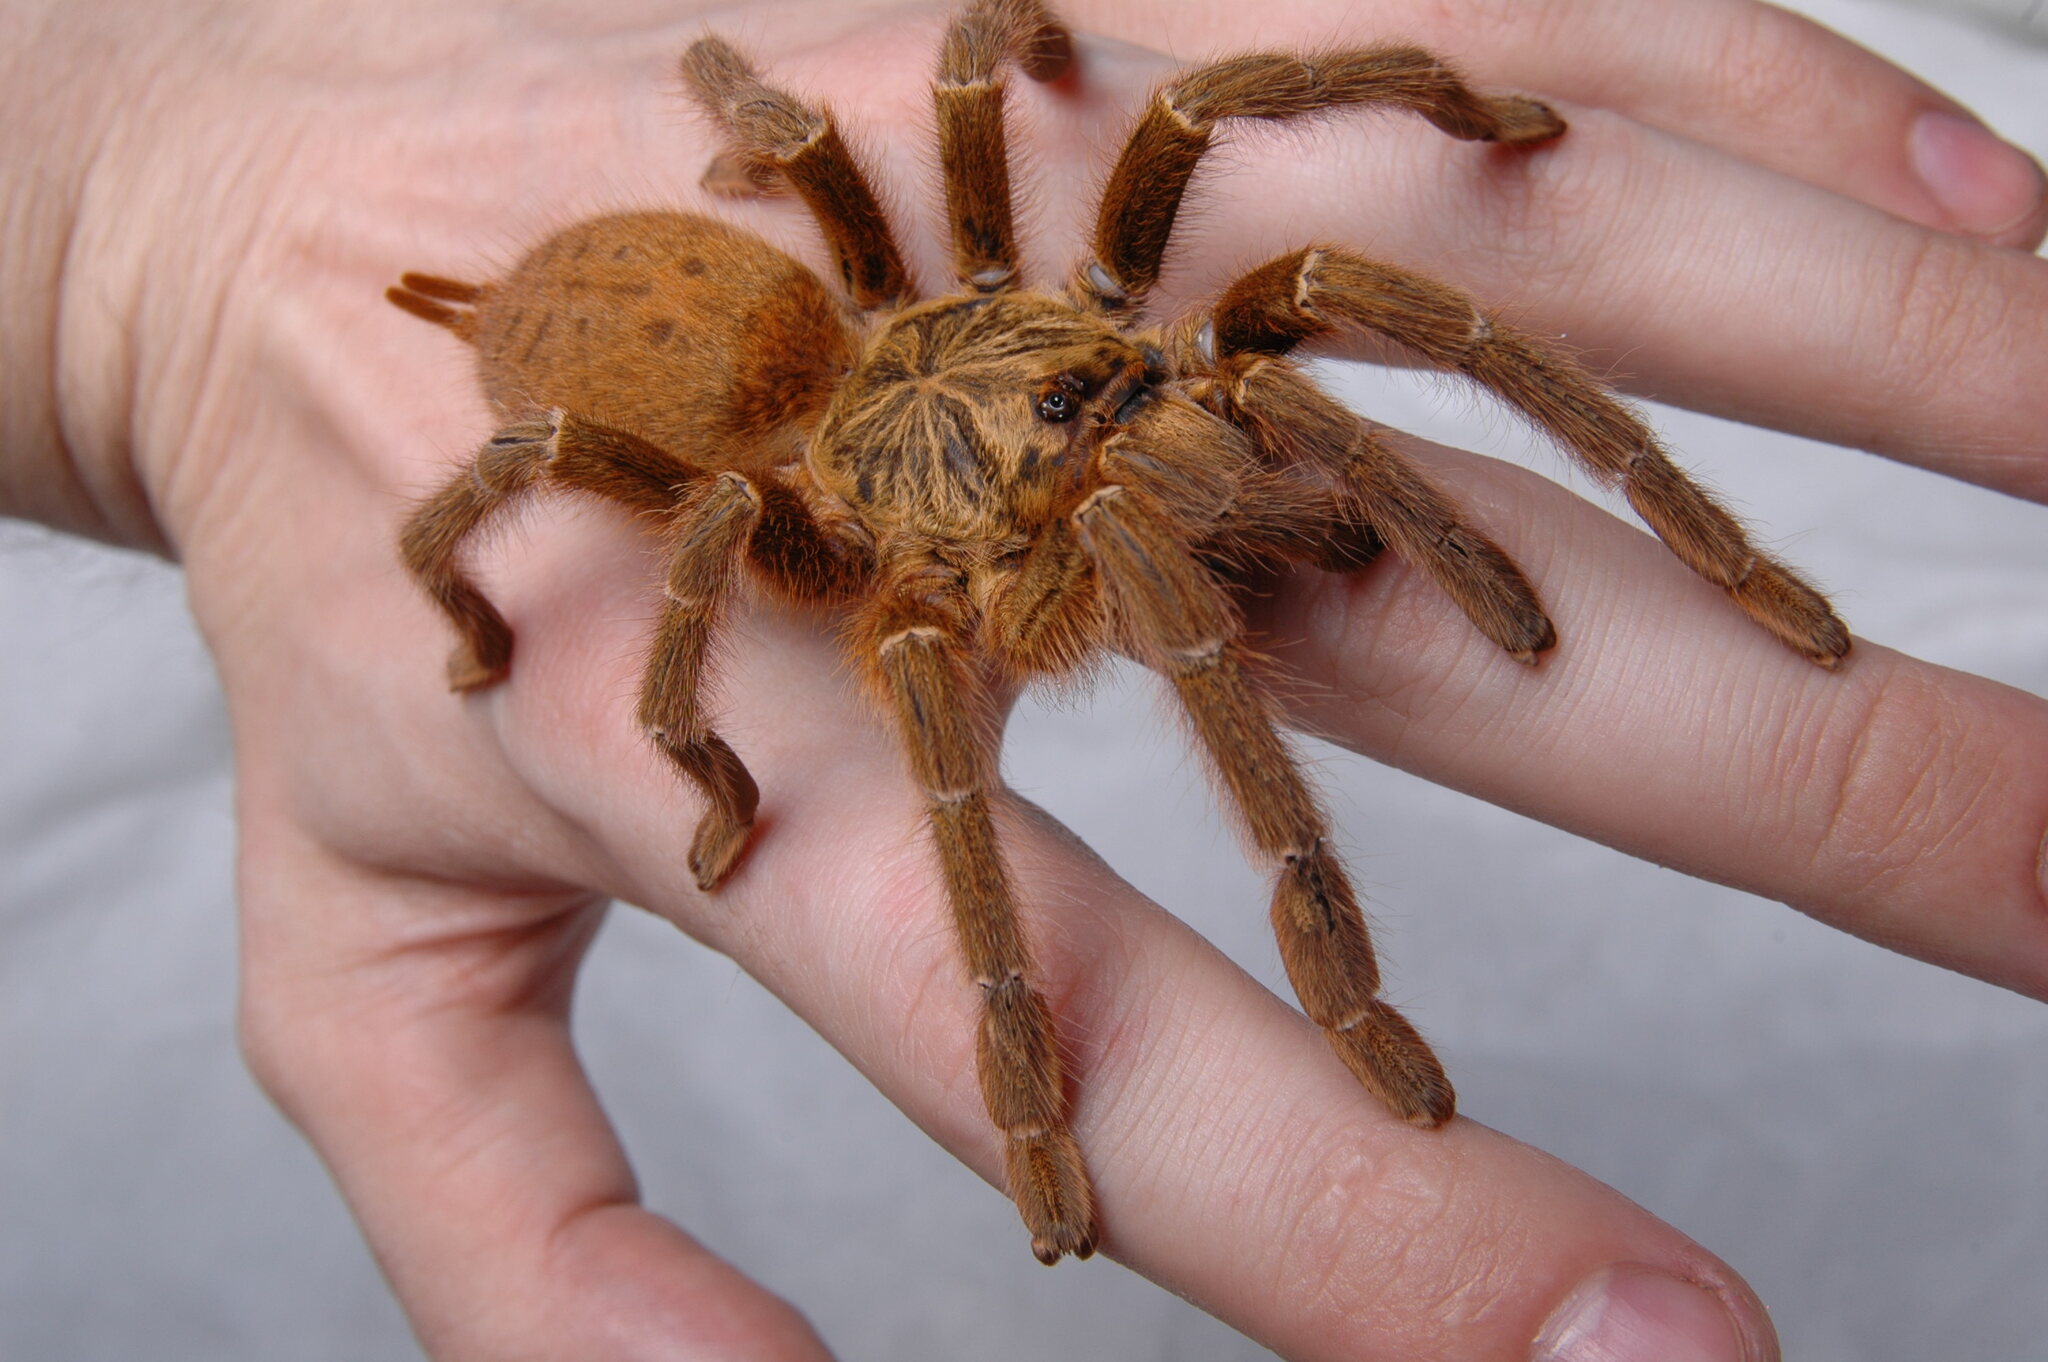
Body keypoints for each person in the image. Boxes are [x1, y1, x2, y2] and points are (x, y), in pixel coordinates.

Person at [2, 0, 2044, 1358]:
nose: (1172, 421)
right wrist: (680, 738)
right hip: (844, 464)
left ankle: (1719, 550)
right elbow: (658, 548)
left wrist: (1427, 122)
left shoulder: (1110, 322)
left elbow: (998, 50)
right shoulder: (839, 560)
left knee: (1250, 190)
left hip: (960, 345)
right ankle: (1298, 989)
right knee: (1040, 623)